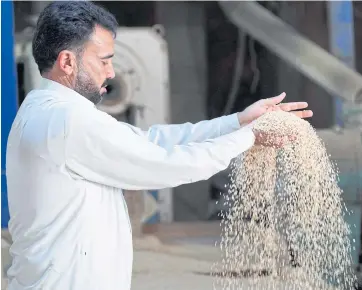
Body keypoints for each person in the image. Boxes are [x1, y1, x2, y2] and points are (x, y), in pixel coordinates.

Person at [5, 2, 313, 289]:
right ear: (68, 62)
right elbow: (167, 163)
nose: (111, 72)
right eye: (104, 60)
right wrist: (250, 136)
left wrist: (237, 122)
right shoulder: (65, 122)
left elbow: (149, 140)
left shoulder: (50, 110)